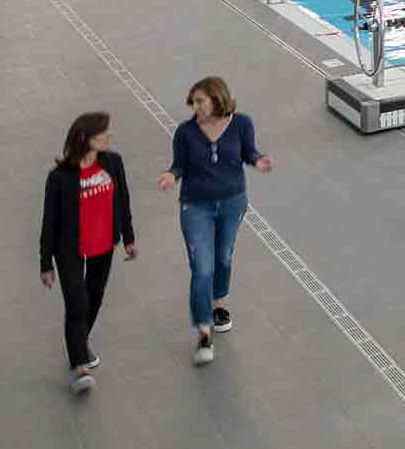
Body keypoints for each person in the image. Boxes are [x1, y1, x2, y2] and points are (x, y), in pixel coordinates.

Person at [156, 76, 273, 365]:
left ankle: (219, 301)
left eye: (200, 101)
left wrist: (258, 161)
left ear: (217, 99)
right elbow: (179, 164)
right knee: (202, 265)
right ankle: (204, 330)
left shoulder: (242, 123)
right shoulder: (185, 132)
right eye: (193, 102)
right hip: (196, 205)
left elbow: (249, 152)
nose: (195, 107)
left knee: (224, 256)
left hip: (233, 201)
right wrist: (172, 175)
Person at [39, 112, 137, 394]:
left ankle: (78, 341)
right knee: (77, 302)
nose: (109, 136)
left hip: (103, 244)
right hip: (69, 249)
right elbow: (49, 221)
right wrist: (45, 263)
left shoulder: (113, 162)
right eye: (104, 132)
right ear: (85, 138)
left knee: (94, 298)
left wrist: (128, 237)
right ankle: (79, 364)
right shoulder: (59, 178)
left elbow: (123, 200)